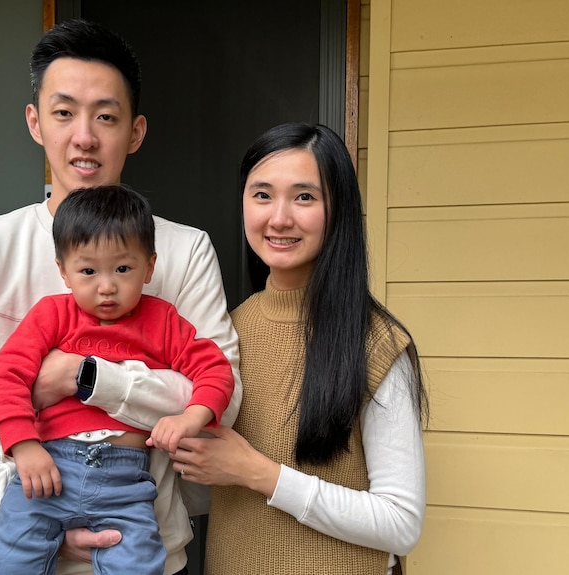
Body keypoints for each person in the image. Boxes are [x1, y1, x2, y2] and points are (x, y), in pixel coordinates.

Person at [0, 18, 241, 575]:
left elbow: (221, 399)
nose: (84, 136)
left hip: (138, 539)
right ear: (35, 122)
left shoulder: (185, 250)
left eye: (106, 116)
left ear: (136, 131)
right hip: (12, 542)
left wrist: (85, 377)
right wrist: (37, 524)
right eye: (64, 112)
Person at [168, 123, 428, 575]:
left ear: (337, 209)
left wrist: (257, 473)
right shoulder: (227, 330)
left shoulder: (375, 342)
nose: (279, 218)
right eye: (262, 195)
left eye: (304, 197)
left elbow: (400, 522)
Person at [0, 185, 235, 575]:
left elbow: (215, 371)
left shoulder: (162, 320)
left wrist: (191, 418)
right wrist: (23, 445)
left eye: (123, 269)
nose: (106, 286)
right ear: (63, 271)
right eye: (88, 271)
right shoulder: (51, 315)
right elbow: (5, 377)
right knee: (13, 557)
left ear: (148, 267)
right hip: (47, 467)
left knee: (139, 562)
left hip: (125, 481)